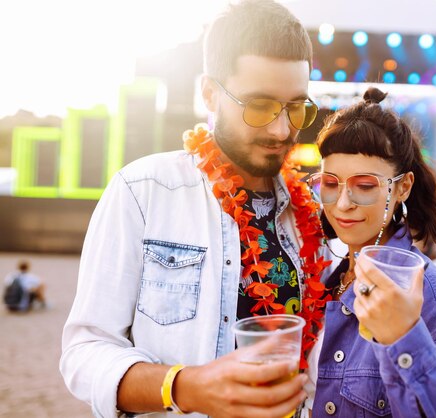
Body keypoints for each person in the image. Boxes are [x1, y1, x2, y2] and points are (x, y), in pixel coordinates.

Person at [60, 1, 325, 417]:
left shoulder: (311, 211)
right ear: (209, 94)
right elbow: (85, 351)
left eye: (296, 108)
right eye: (259, 106)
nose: (281, 129)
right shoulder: (144, 191)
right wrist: (185, 386)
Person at [303, 88, 436, 417]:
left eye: (364, 186)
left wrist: (402, 338)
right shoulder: (322, 281)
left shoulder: (428, 294)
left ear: (403, 187)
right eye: (331, 183)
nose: (343, 203)